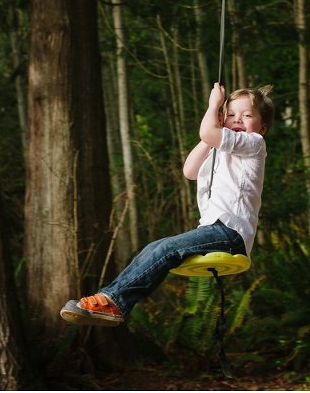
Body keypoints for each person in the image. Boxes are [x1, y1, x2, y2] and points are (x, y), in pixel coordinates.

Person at [60, 83, 273, 327]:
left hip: (231, 232)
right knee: (158, 247)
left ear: (262, 128)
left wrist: (214, 106)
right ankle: (112, 299)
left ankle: (114, 301)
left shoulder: (254, 144)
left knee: (164, 250)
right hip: (212, 229)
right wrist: (212, 132)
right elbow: (190, 171)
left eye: (247, 116)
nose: (238, 120)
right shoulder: (221, 150)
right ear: (223, 120)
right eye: (231, 115)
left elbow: (208, 133)